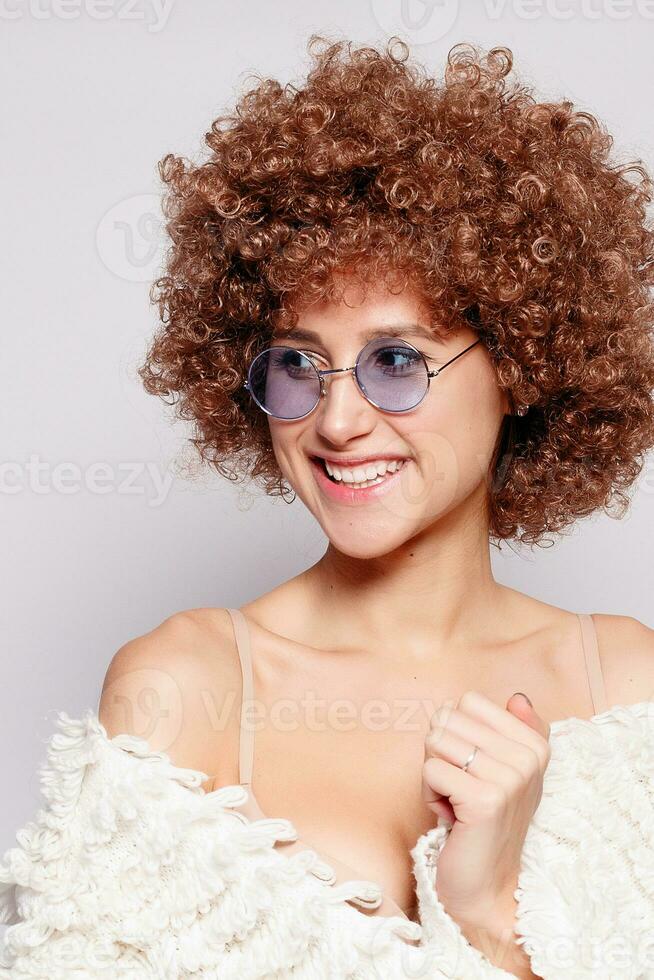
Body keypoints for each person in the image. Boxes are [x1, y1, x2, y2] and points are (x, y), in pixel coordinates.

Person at [1, 35, 653, 980]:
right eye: (298, 366)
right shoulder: (188, 694)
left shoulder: (629, 694)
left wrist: (486, 915)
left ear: (518, 368)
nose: (338, 421)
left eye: (397, 362)